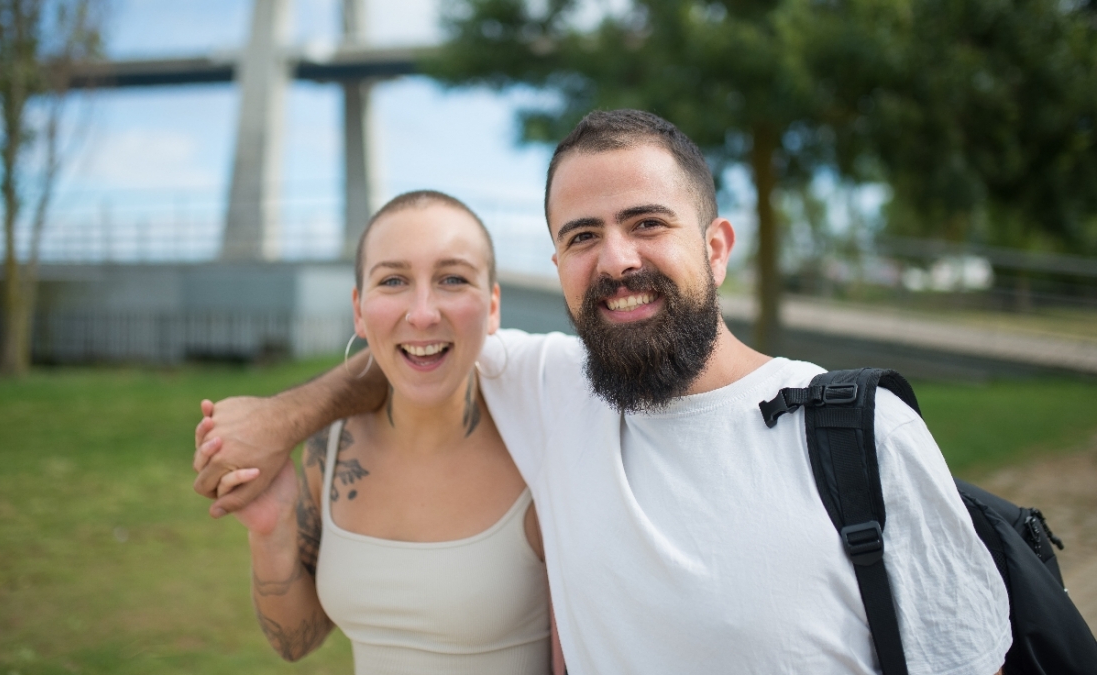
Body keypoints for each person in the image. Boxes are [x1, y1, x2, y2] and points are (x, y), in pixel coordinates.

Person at [195, 110, 1010, 675]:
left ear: (717, 246)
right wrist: (277, 419)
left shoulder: (860, 431)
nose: (617, 259)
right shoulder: (555, 390)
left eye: (648, 222)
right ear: (558, 269)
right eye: (583, 236)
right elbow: (416, 343)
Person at [215, 190, 560, 674]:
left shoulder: (539, 451)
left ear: (493, 306)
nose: (422, 313)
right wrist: (272, 533)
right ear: (359, 308)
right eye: (393, 280)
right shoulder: (330, 449)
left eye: (453, 279)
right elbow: (297, 640)